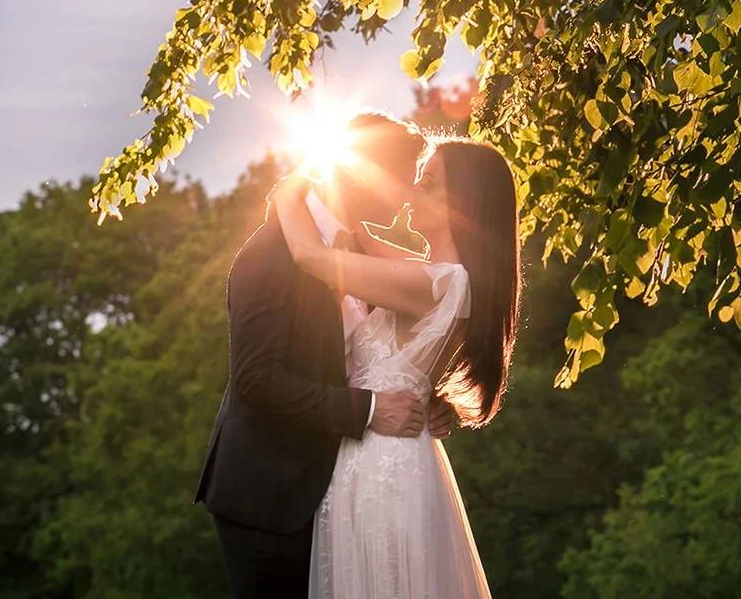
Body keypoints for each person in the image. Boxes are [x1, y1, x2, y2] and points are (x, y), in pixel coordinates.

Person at [195, 113, 459, 599]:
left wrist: (427, 401)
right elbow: (257, 380)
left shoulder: (357, 254)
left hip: (338, 496)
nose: (406, 197)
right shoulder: (271, 251)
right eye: (404, 179)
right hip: (269, 502)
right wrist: (374, 409)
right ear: (365, 174)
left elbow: (376, 354)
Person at [270, 134, 521, 599]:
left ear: (463, 202)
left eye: (427, 183)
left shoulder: (440, 282)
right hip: (381, 458)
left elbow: (312, 256)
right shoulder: (442, 276)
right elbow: (359, 240)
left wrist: (287, 190)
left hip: (382, 467)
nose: (411, 191)